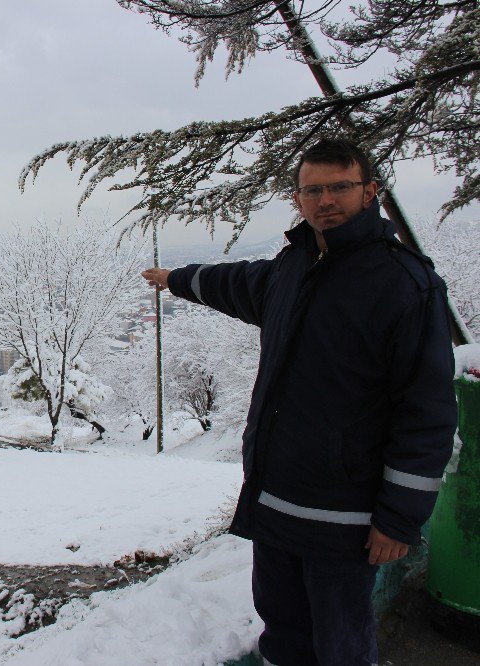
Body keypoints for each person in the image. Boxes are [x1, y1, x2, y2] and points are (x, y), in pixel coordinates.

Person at [142, 138, 458, 665]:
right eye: (312, 190)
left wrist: (399, 518)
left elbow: (425, 412)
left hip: (346, 519)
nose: (325, 200)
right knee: (283, 633)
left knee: (341, 644)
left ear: (369, 191)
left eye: (339, 187)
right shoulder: (294, 267)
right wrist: (176, 279)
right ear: (298, 198)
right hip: (278, 502)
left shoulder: (405, 284)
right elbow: (237, 282)